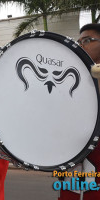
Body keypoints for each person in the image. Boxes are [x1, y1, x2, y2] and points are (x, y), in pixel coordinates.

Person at [58, 23, 100, 200]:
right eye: (79, 41)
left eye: (88, 40)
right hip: (73, 155)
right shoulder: (74, 75)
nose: (81, 45)